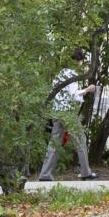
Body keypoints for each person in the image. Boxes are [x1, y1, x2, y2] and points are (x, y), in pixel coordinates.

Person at [39, 47, 98, 181]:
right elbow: (73, 94)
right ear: (79, 60)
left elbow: (53, 93)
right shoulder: (71, 74)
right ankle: (85, 172)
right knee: (80, 139)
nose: (82, 64)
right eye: (82, 61)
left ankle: (45, 174)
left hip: (57, 111)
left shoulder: (60, 74)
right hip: (67, 113)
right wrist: (88, 89)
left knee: (54, 142)